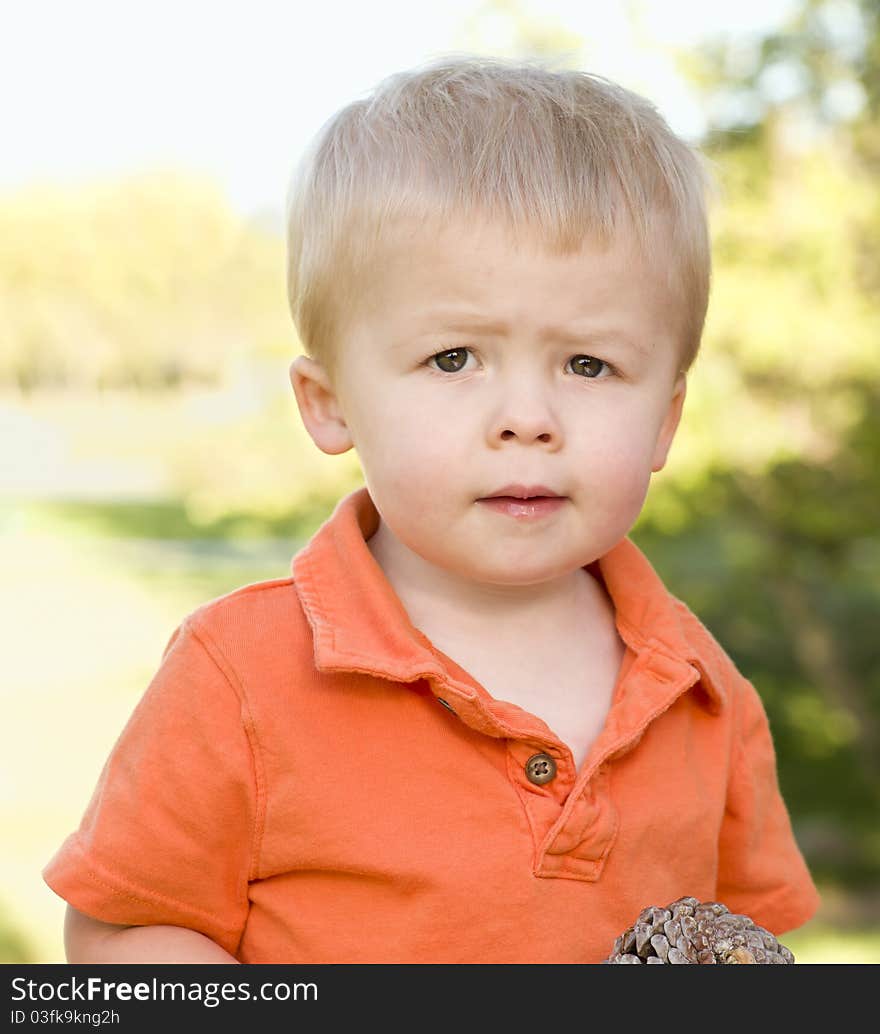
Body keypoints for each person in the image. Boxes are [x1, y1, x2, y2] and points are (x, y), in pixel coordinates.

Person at [43, 55, 820, 964]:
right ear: (328, 403)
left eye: (589, 365)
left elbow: (746, 944)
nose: (527, 419)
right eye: (454, 359)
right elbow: (122, 929)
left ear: (667, 418)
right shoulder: (241, 677)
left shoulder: (701, 690)